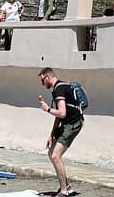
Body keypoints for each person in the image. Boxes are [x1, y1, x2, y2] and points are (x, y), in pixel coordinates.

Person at [37, 67, 83, 197]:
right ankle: (67, 186)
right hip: (68, 123)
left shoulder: (59, 89)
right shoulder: (61, 87)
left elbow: (62, 113)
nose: (42, 84)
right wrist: (52, 134)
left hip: (73, 124)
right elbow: (59, 115)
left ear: (48, 77)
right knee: (51, 152)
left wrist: (47, 109)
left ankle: (64, 191)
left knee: (55, 156)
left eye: (42, 81)